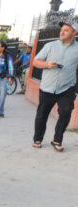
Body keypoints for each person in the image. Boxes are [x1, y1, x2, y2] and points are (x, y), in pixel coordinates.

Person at [32, 22, 78, 151]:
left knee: (66, 112)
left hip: (67, 88)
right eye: (61, 30)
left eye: (66, 30)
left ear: (74, 33)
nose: (62, 32)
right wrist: (47, 64)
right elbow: (36, 62)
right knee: (42, 114)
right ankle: (38, 139)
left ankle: (57, 140)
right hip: (48, 87)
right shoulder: (50, 46)